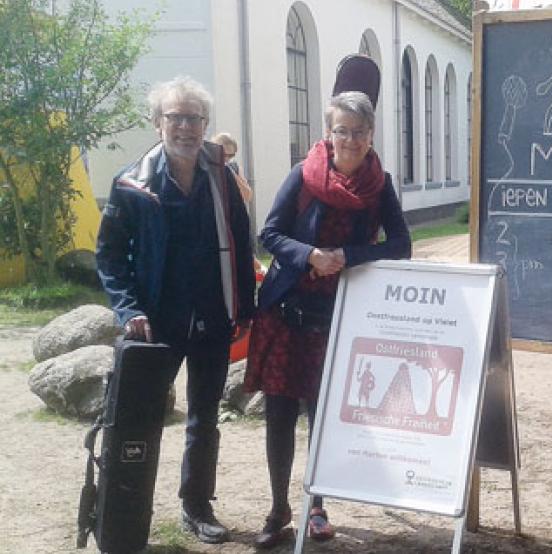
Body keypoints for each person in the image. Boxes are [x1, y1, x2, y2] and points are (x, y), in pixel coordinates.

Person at [244, 90, 411, 548]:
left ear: (371, 135)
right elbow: (270, 233)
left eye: (359, 132)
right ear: (328, 132)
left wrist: (347, 256)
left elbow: (400, 245)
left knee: (324, 418)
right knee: (279, 414)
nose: (350, 140)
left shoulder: (382, 185)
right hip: (285, 314)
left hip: (338, 319)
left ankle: (315, 507)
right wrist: (310, 255)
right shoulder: (303, 175)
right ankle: (278, 510)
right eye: (342, 131)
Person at [95, 76, 255, 544]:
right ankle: (126, 507)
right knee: (140, 419)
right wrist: (128, 310)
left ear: (206, 124)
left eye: (194, 118)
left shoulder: (222, 177)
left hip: (211, 316)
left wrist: (244, 305)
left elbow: (242, 244)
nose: (185, 127)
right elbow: (107, 256)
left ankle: (196, 506)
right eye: (175, 117)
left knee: (204, 417)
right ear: (157, 122)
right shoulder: (131, 184)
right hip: (155, 323)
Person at [211, 132, 253, 204]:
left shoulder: (234, 168)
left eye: (230, 155)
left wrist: (230, 172)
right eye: (223, 154)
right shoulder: (206, 167)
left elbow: (247, 196)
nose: (226, 158)